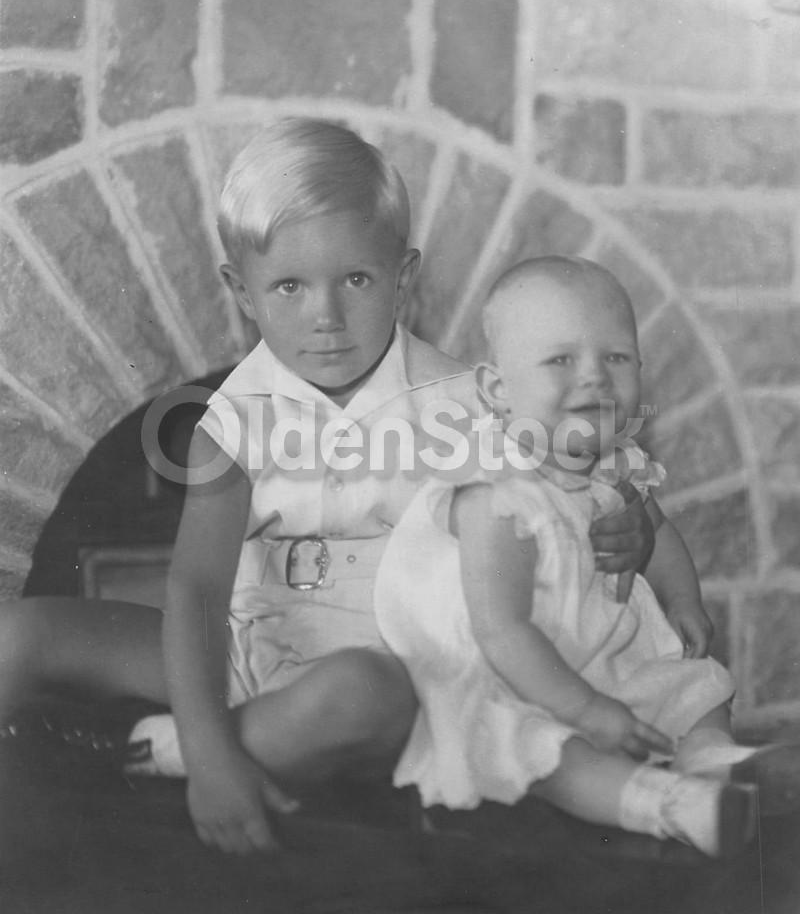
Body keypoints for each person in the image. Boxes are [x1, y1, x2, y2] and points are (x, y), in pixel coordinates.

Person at [0, 123, 653, 855]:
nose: (327, 318)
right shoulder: (230, 421)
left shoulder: (470, 403)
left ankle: (158, 756)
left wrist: (631, 529)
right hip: (247, 649)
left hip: (394, 674)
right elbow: (197, 590)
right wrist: (215, 723)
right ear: (239, 291)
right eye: (288, 286)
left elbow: (570, 500)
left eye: (356, 281)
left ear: (402, 278)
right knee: (18, 636)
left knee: (360, 695)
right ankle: (211, 744)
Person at [374, 256, 800, 858]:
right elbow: (500, 629)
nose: (596, 378)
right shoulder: (495, 491)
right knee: (541, 747)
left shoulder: (614, 464)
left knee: (697, 685)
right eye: (561, 360)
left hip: (594, 654)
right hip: (502, 674)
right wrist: (584, 709)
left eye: (617, 358)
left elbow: (659, 532)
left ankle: (710, 760)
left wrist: (684, 601)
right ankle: (667, 805)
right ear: (498, 390)